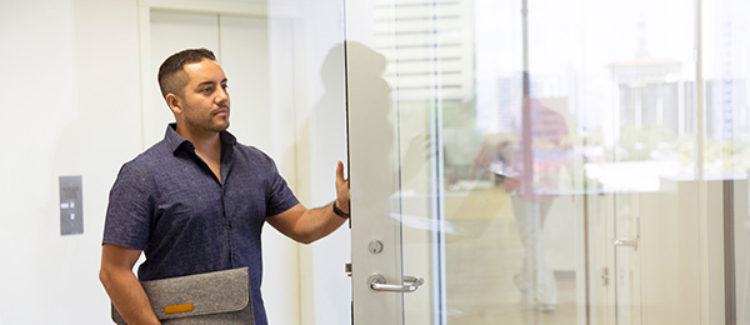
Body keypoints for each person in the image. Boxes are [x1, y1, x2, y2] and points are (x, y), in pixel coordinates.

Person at [98, 48, 350, 325]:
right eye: (207, 90)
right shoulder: (142, 175)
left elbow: (302, 225)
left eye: (224, 86)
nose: (222, 97)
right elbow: (113, 271)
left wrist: (341, 207)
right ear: (175, 103)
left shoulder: (256, 164)